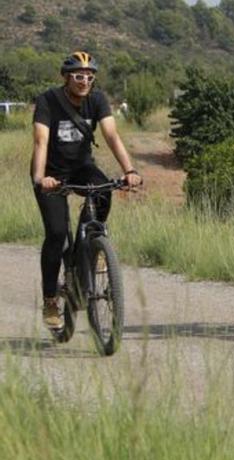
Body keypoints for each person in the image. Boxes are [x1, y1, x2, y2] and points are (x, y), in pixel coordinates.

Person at [30, 51, 143, 329]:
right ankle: (50, 301)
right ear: (67, 78)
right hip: (52, 173)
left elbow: (112, 135)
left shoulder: (97, 100)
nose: (84, 81)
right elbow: (40, 142)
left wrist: (129, 170)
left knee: (104, 189)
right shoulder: (48, 101)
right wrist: (40, 176)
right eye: (78, 76)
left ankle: (90, 248)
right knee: (56, 234)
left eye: (89, 77)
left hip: (81, 167)